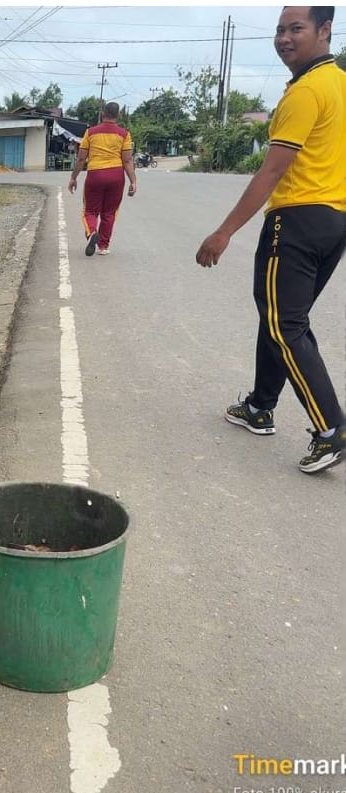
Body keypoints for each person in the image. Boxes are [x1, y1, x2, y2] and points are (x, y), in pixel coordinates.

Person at [196, 6, 346, 474]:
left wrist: (223, 232)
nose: (284, 38)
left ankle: (332, 429)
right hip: (334, 220)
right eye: (280, 29)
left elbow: (273, 169)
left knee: (286, 326)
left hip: (297, 220)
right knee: (280, 316)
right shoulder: (340, 83)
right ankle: (260, 407)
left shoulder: (307, 91)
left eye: (295, 28)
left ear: (324, 31)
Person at [67, 102, 138, 256]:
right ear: (118, 116)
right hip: (116, 176)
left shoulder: (90, 132)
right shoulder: (124, 134)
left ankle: (92, 232)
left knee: (90, 210)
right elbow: (127, 160)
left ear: (102, 113)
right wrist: (133, 181)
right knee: (109, 213)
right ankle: (103, 246)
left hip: (95, 175)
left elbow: (81, 159)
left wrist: (73, 178)